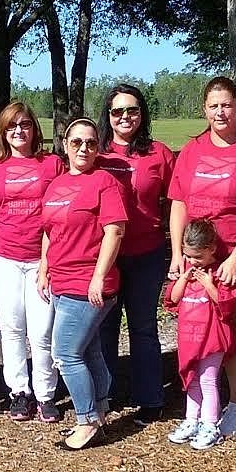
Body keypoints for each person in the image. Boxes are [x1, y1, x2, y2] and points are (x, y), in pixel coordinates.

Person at [167, 76, 236, 439]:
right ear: (204, 109)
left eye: (226, 104)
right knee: (198, 332)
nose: (220, 112)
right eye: (213, 106)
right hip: (197, 258)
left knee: (233, 334)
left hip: (234, 256)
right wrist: (178, 254)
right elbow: (178, 203)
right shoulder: (193, 151)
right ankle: (197, 408)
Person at [38, 118, 127, 451]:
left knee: (65, 353)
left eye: (90, 143)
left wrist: (99, 277)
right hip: (61, 280)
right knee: (88, 349)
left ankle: (86, 420)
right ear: (65, 144)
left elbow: (114, 231)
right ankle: (101, 406)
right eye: (76, 142)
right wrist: (45, 267)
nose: (84, 149)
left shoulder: (103, 181)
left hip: (87, 282)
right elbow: (50, 230)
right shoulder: (57, 185)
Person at [0, 101, 65, 422]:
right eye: (12, 126)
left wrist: (48, 262)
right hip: (4, 259)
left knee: (42, 331)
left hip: (41, 261)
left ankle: (45, 394)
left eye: (25, 124)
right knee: (12, 328)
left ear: (34, 129)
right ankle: (19, 391)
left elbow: (59, 216)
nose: (19, 131)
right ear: (3, 132)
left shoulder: (52, 165)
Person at [96, 84, 176, 425]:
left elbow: (176, 202)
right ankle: (107, 392)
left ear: (142, 114)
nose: (125, 117)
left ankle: (150, 397)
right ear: (108, 116)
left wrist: (177, 249)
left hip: (147, 252)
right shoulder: (96, 154)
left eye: (132, 110)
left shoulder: (159, 154)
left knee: (143, 327)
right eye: (117, 111)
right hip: (105, 255)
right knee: (104, 327)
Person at [165, 219, 236, 450]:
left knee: (207, 380)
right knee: (191, 380)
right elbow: (173, 299)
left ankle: (210, 423)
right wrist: (184, 278)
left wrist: (209, 284)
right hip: (189, 338)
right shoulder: (187, 270)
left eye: (198, 257)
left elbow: (226, 304)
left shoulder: (220, 272)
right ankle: (191, 420)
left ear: (212, 249)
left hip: (211, 339)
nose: (192, 262)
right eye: (188, 256)